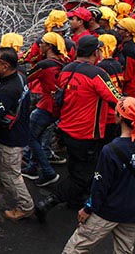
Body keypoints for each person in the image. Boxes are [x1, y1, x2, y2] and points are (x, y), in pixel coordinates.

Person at [37, 36, 123, 222]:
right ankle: (50, 201)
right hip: (87, 134)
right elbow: (118, 100)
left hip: (66, 128)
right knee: (83, 175)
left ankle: (75, 200)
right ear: (95, 52)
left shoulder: (66, 69)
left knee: (75, 166)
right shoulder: (97, 74)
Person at [60, 97, 135, 254]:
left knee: (76, 248)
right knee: (124, 251)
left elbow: (100, 185)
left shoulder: (111, 150)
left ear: (120, 117)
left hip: (107, 210)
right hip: (133, 211)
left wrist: (88, 208)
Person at [0, 47, 34, 220]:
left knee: (11, 175)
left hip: (11, 138)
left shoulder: (8, 90)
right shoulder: (19, 75)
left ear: (5, 66)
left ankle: (25, 206)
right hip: (13, 132)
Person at [23, 32, 68, 186]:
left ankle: (47, 171)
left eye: (42, 43)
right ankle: (32, 167)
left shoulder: (45, 64)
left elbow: (26, 77)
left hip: (47, 104)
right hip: (57, 105)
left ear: (49, 46)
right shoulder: (62, 62)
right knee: (38, 135)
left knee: (30, 137)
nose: (39, 45)